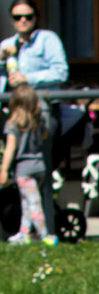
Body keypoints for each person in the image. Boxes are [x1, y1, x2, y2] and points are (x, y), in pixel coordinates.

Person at [1, 1, 68, 236]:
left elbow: (61, 72)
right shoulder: (7, 46)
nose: (22, 22)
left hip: (39, 114)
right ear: (11, 20)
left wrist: (27, 78)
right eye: (17, 18)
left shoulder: (47, 39)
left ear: (36, 17)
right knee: (19, 177)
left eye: (27, 17)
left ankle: (45, 231)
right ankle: (22, 230)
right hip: (10, 114)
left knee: (38, 175)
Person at [0, 82, 55, 244]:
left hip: (23, 170)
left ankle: (44, 234)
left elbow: (10, 148)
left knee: (33, 203)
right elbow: (45, 136)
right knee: (26, 203)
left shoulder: (13, 124)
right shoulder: (38, 123)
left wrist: (3, 169)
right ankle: (24, 233)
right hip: (40, 167)